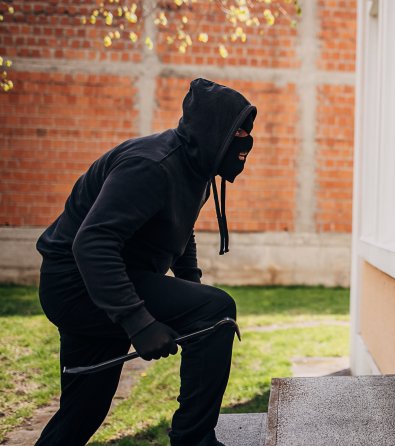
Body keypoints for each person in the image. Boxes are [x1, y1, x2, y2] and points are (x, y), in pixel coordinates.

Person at [34, 78, 257, 446]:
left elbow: (179, 230)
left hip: (102, 280)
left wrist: (190, 285)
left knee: (83, 410)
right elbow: (92, 243)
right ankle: (193, 439)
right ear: (213, 128)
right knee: (216, 311)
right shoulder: (151, 166)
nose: (246, 139)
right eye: (239, 130)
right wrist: (138, 322)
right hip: (77, 283)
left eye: (248, 130)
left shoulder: (196, 167)